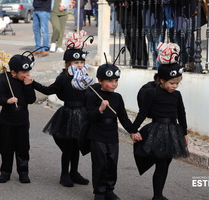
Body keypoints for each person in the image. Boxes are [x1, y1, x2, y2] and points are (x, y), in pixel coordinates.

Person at [130, 44, 189, 200]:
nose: (175, 86)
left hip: (172, 131)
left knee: (165, 164)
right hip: (157, 130)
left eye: (177, 83)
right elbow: (142, 113)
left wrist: (184, 133)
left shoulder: (177, 95)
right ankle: (157, 195)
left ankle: (159, 194)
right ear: (162, 80)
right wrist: (133, 129)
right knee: (161, 163)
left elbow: (181, 114)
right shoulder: (152, 93)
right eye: (172, 83)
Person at [32, 35, 91, 187]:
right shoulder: (63, 78)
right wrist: (33, 83)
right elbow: (49, 90)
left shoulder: (85, 78)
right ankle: (64, 174)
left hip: (82, 114)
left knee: (77, 146)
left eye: (82, 62)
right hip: (68, 113)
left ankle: (74, 173)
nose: (79, 65)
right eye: (76, 62)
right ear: (67, 63)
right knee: (68, 147)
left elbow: (91, 95)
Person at [85, 53, 139, 200]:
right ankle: (99, 192)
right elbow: (89, 117)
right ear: (100, 81)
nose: (114, 84)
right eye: (110, 81)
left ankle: (109, 190)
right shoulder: (93, 96)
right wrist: (100, 109)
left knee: (111, 164)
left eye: (116, 80)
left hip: (112, 135)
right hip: (97, 135)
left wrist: (133, 131)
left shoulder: (117, 97)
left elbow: (123, 117)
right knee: (100, 165)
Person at [0, 52, 37, 184]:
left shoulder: (26, 81)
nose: (27, 74)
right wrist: (7, 100)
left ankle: (23, 172)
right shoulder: (3, 80)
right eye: (24, 72)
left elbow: (31, 99)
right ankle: (5, 172)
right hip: (7, 118)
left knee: (23, 147)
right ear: (13, 72)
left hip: (22, 118)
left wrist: (28, 86)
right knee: (7, 146)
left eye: (28, 71)